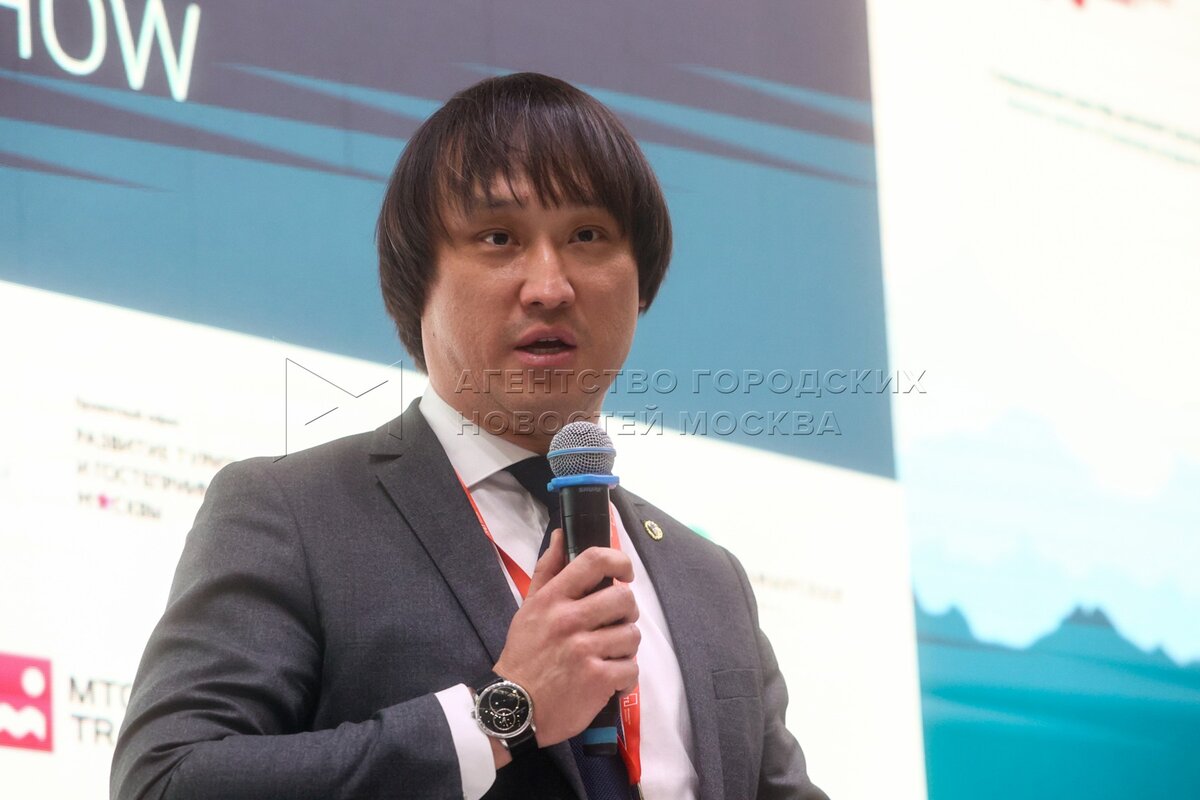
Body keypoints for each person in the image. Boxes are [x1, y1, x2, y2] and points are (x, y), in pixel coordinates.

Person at [111, 72, 827, 800]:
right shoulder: (295, 514)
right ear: (416, 281)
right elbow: (167, 781)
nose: (550, 286)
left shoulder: (710, 580)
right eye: (498, 238)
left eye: (587, 236)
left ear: (641, 280)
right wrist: (503, 713)